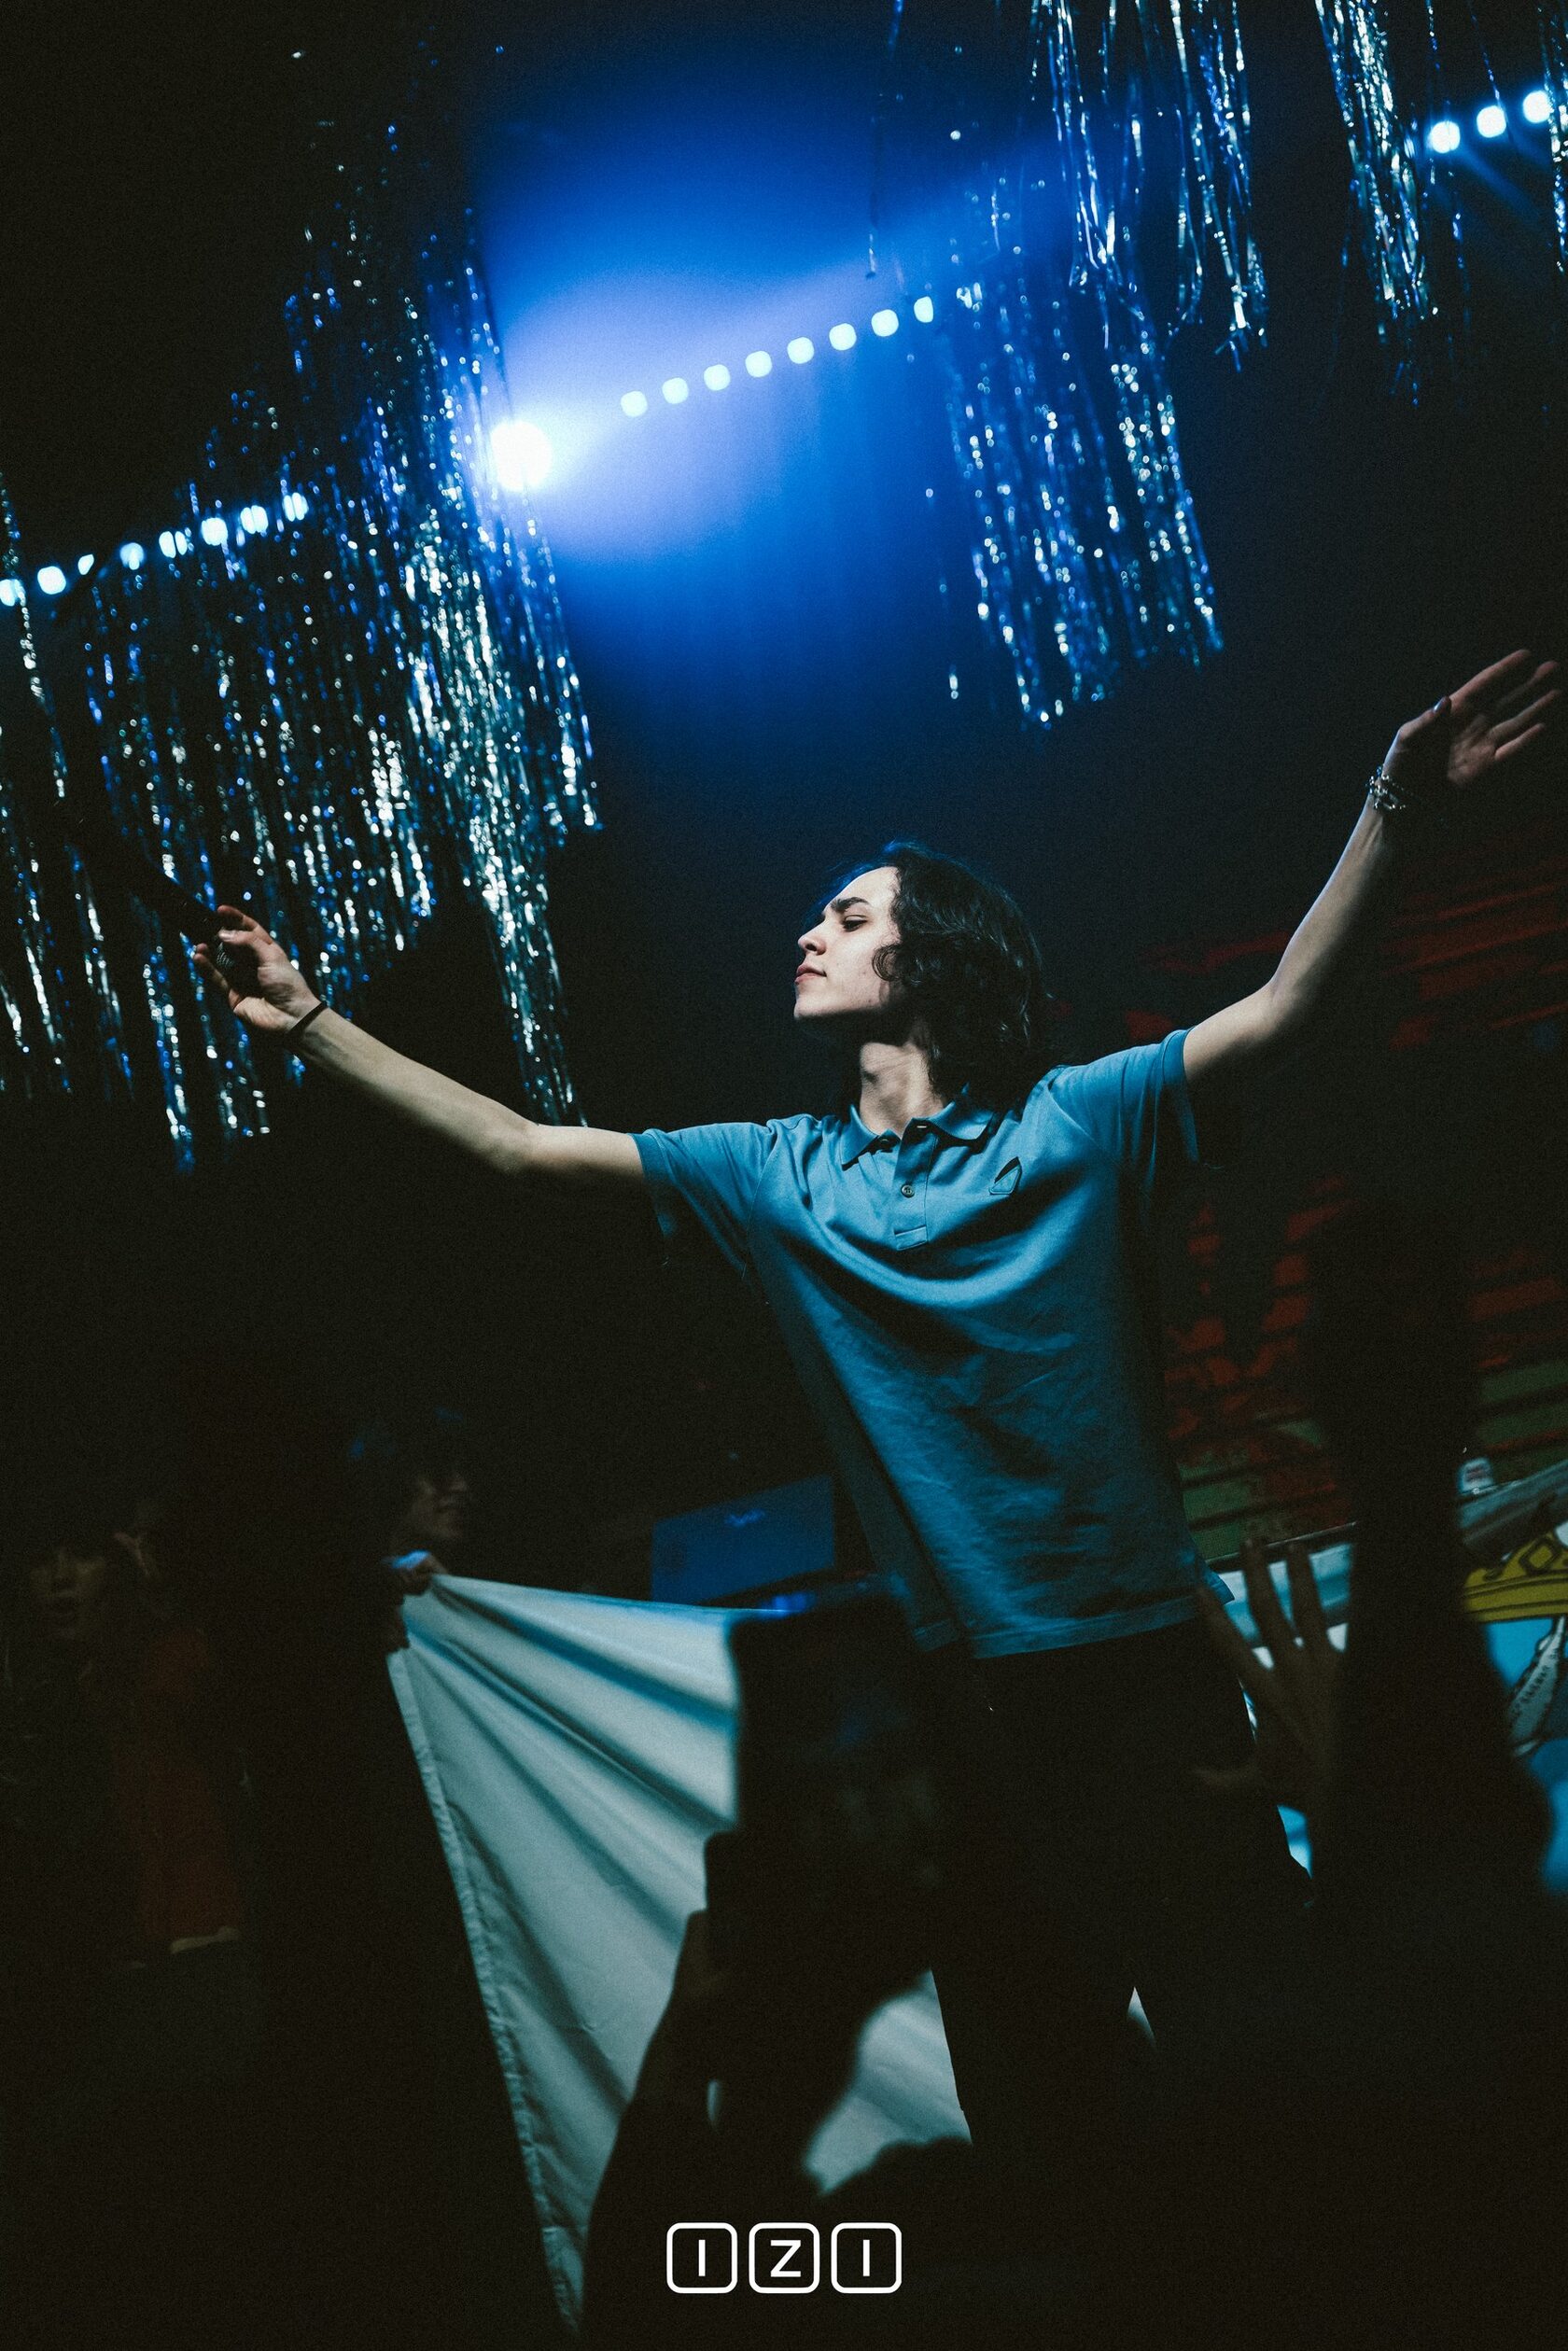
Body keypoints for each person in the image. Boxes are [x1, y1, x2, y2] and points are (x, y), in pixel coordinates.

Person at [194, 651, 1559, 2174]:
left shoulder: (1082, 1122)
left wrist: (1393, 803)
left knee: (1273, 2102)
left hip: (1147, 1688)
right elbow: (519, 1148)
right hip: (962, 1719)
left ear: (929, 961)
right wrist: (310, 1021)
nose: (809, 932)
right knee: (1044, 2128)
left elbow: (1289, 1004)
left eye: (848, 918)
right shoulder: (774, 1175)